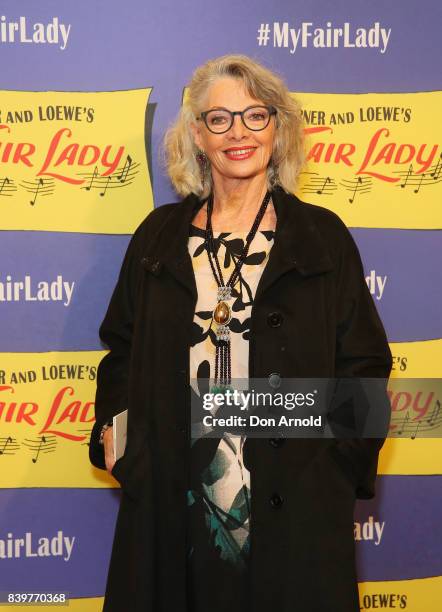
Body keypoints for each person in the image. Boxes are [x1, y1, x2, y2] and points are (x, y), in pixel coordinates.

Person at [89, 54, 392, 612]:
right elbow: (121, 351)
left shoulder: (320, 238)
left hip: (295, 512)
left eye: (255, 116)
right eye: (219, 119)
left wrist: (333, 469)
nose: (238, 134)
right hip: (169, 513)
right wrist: (119, 435)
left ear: (278, 130)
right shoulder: (157, 238)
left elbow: (366, 369)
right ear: (197, 137)